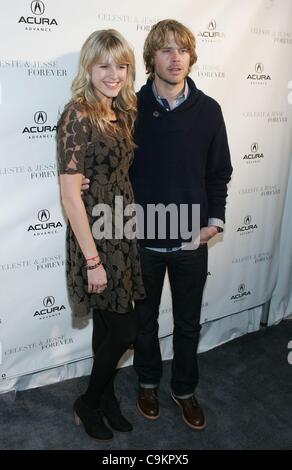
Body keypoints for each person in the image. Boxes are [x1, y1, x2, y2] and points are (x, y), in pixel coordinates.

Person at [82, 19, 233, 431]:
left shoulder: (209, 111)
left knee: (188, 322)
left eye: (182, 49)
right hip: (141, 239)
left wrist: (213, 221)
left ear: (191, 56)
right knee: (142, 324)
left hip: (190, 241)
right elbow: (110, 160)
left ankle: (184, 390)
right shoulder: (130, 108)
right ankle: (147, 382)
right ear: (150, 58)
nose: (175, 57)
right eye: (165, 49)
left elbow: (219, 172)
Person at [57, 29, 145, 441]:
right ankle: (88, 402)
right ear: (89, 66)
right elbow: (71, 197)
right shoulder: (77, 114)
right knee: (126, 330)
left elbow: (115, 171)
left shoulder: (124, 111)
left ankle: (106, 397)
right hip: (94, 233)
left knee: (109, 328)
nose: (114, 74)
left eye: (122, 65)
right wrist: (92, 260)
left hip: (122, 226)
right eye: (105, 65)